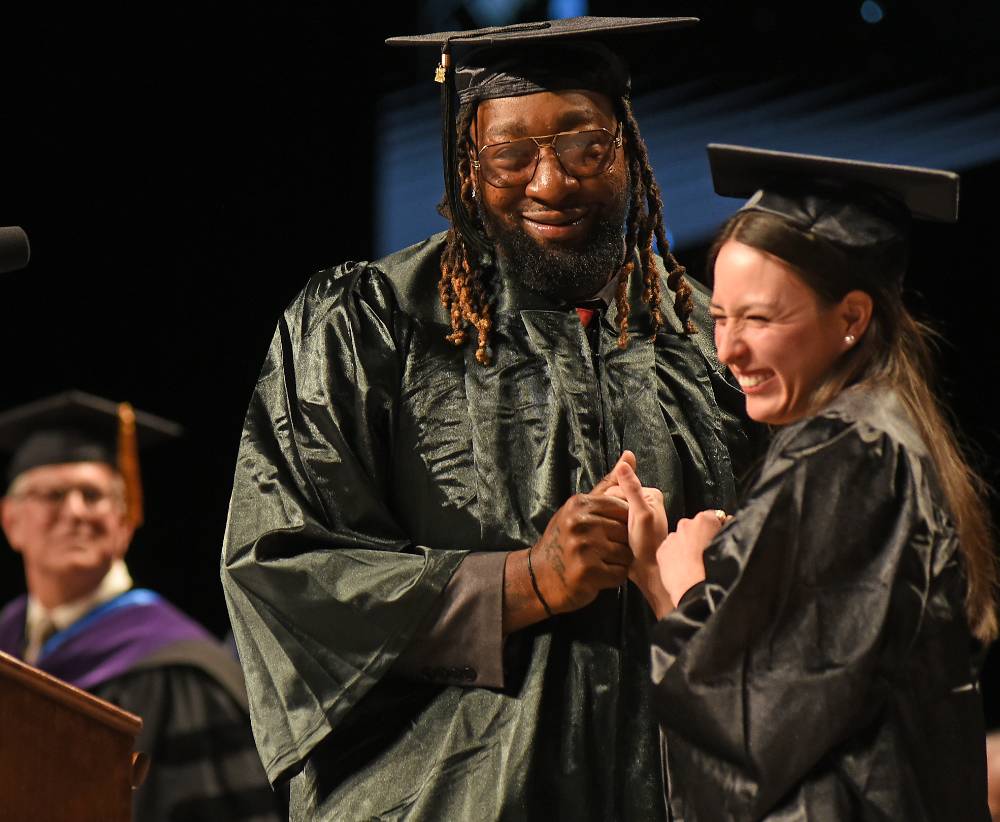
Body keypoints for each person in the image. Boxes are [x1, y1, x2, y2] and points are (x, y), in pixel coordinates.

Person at [221, 16, 760, 821]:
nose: (551, 182)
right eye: (511, 155)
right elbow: (284, 571)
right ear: (468, 167)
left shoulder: (712, 343)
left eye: (584, 147)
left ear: (628, 148)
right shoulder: (368, 328)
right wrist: (526, 582)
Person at [618, 145, 998, 820]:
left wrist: (692, 582)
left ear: (851, 318)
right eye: (720, 318)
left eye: (760, 319)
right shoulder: (871, 435)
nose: (729, 351)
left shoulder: (850, 456)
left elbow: (758, 731)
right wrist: (658, 574)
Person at [0, 390, 282, 822]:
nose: (75, 511)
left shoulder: (178, 673)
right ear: (11, 521)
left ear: (124, 518)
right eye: (52, 495)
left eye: (93, 495)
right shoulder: (8, 646)